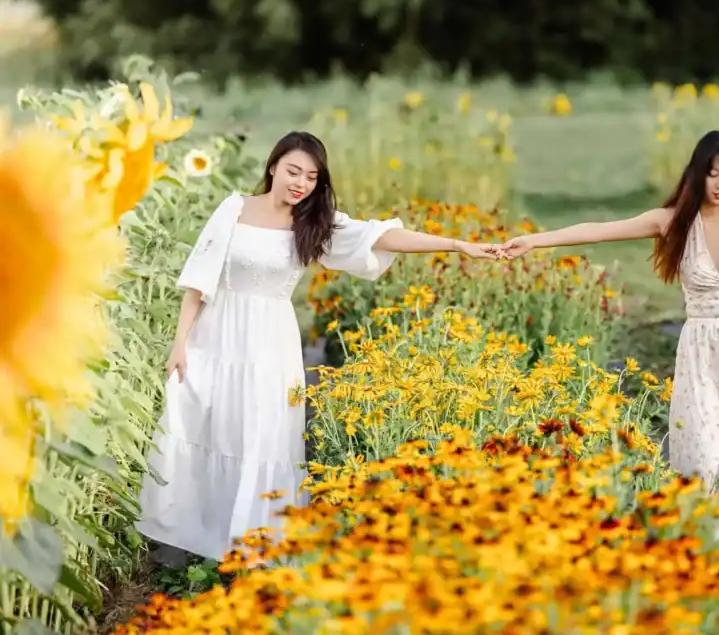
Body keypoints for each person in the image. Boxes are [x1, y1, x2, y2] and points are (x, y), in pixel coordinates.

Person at [137, 131, 500, 563]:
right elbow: (199, 281)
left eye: (311, 176)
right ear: (273, 167)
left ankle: (251, 548)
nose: (301, 183)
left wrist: (459, 245)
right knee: (207, 422)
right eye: (293, 171)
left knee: (261, 434)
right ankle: (200, 539)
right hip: (216, 336)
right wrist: (180, 343)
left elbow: (379, 238)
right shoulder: (233, 208)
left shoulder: (313, 222)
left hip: (270, 341)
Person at [498, 130, 719, 564]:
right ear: (697, 175)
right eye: (713, 173)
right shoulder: (673, 220)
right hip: (701, 345)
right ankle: (703, 550)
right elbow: (602, 231)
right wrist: (535, 241)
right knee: (701, 448)